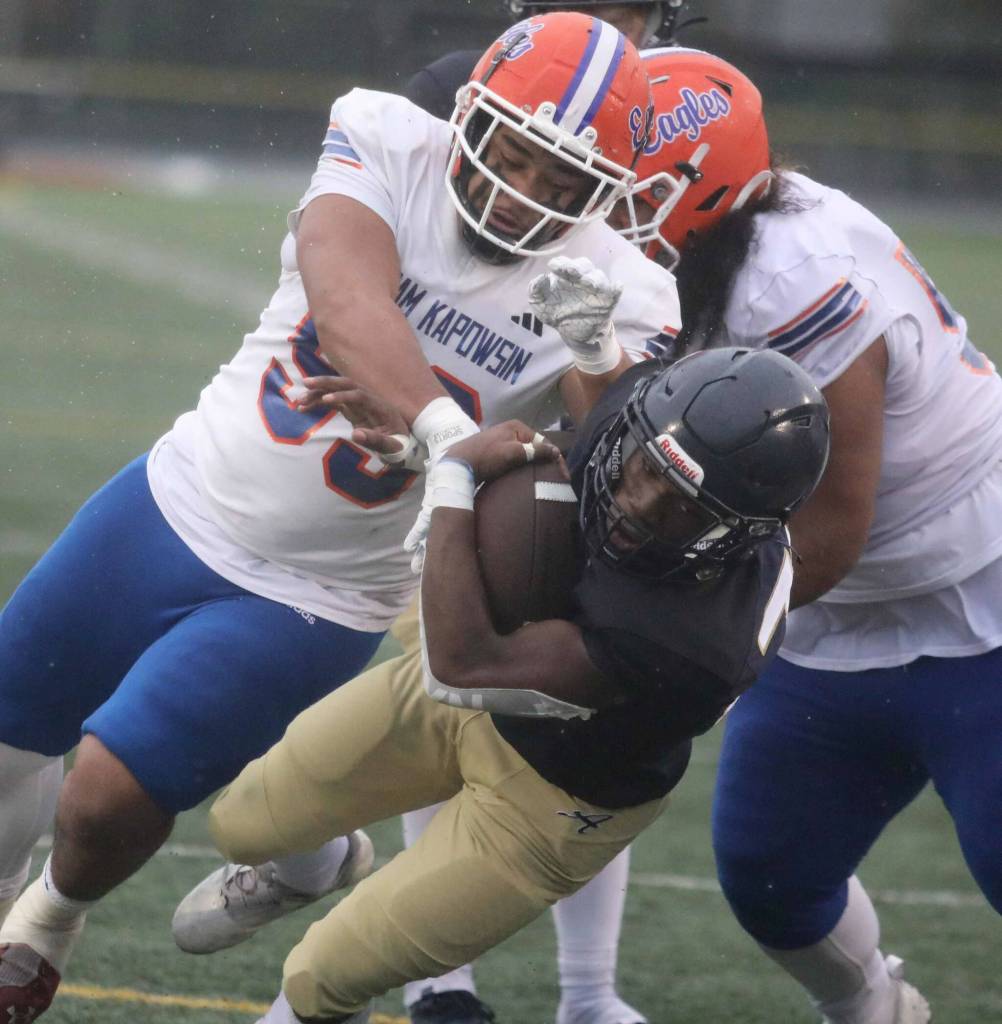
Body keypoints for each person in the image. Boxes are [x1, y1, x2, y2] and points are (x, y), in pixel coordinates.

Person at [0, 14, 681, 1019]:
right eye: (510, 155)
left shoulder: (623, 289)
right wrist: (448, 436)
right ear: (468, 121)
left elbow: (604, 471)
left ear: (605, 196)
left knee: (103, 793)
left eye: (562, 182)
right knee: (11, 732)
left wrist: (596, 362)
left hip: (319, 589)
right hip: (176, 493)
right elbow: (348, 295)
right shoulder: (385, 137)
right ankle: (304, 858)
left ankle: (48, 921)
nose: (523, 192)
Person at [194, 345, 831, 1024]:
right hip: (473, 700)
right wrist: (433, 446)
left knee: (322, 973)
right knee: (240, 821)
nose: (640, 504)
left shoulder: (696, 643)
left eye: (682, 510)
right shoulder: (647, 419)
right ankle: (315, 867)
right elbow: (562, 446)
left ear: (739, 533)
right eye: (645, 469)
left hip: (555, 797)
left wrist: (450, 483)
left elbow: (462, 668)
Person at [611, 46, 1002, 1024]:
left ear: (694, 187)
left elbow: (835, 521)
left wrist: (689, 632)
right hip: (835, 609)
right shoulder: (697, 248)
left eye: (623, 180)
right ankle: (876, 1009)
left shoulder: (794, 271)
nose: (595, 199)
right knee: (772, 871)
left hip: (975, 588)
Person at [399, 5, 687, 1023]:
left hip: (603, 419)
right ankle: (437, 974)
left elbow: (679, 274)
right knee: (436, 690)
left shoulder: (684, 97)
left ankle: (589, 992)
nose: (611, 22)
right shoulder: (450, 91)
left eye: (631, 9)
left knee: (598, 710)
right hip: (464, 435)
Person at [404, 3, 683, 122]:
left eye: (614, 26)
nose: (593, 49)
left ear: (653, 21)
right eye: (567, 21)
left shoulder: (690, 103)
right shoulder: (458, 88)